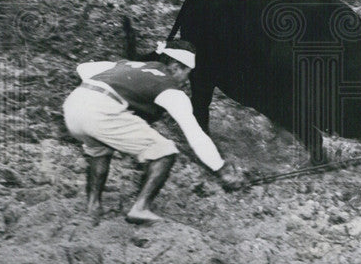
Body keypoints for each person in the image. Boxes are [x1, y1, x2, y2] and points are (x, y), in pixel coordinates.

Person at [63, 39, 246, 224]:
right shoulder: (170, 88)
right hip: (102, 112)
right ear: (175, 67)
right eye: (187, 73)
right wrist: (221, 169)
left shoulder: (128, 65)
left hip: (74, 105)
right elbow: (195, 134)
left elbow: (83, 68)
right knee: (164, 151)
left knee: (99, 151)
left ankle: (92, 207)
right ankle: (140, 208)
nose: (186, 80)